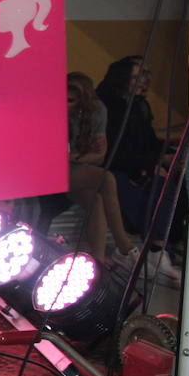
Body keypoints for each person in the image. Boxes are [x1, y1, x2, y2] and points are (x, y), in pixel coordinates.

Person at [96, 57, 182, 283]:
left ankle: (158, 250)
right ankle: (139, 251)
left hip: (139, 165)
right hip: (114, 168)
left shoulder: (139, 105)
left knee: (166, 186)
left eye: (147, 74)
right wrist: (151, 163)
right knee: (129, 187)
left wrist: (166, 156)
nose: (146, 80)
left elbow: (149, 141)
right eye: (138, 76)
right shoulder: (106, 105)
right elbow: (113, 151)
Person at [66, 71, 136, 264]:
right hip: (54, 171)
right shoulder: (54, 111)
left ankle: (97, 259)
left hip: (75, 170)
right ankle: (124, 245)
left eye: (71, 100)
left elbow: (99, 157)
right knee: (106, 179)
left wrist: (72, 157)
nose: (67, 104)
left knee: (95, 200)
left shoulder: (97, 111)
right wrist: (79, 157)